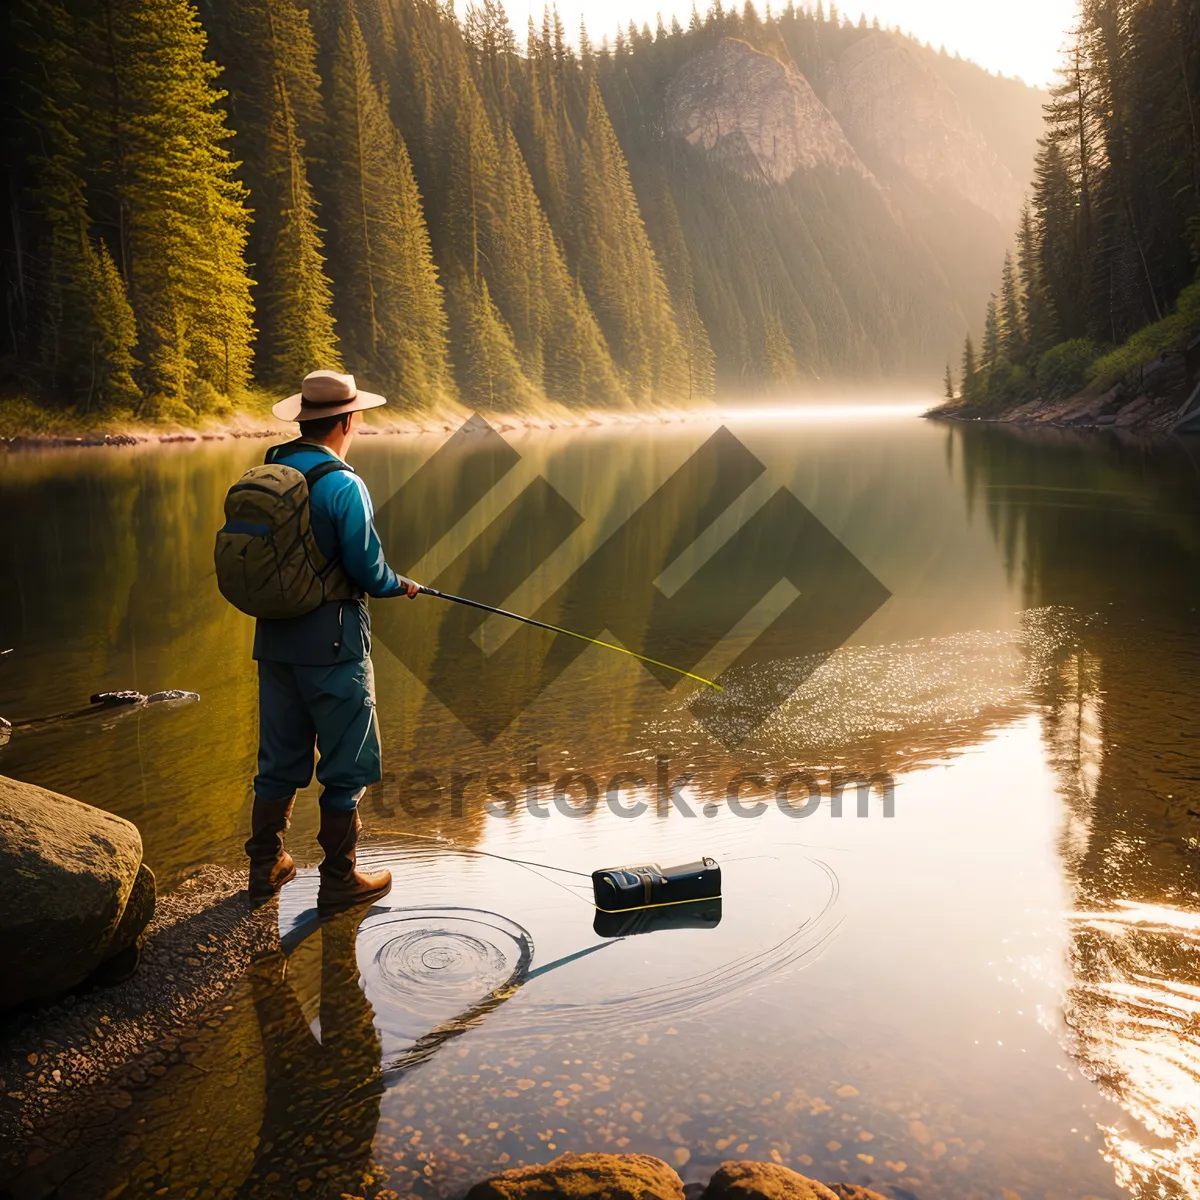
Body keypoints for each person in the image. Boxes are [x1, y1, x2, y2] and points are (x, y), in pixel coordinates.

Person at [244, 370, 419, 911]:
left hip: (274, 641)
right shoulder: (344, 484)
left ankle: (266, 864)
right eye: (357, 417)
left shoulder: (271, 470)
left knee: (278, 759)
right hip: (334, 646)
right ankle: (340, 880)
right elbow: (368, 571)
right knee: (346, 764)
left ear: (302, 419)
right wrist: (400, 586)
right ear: (346, 420)